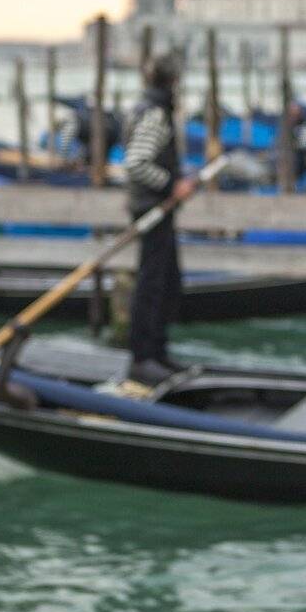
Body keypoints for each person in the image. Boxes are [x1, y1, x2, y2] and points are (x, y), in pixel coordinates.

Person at [122, 54, 196, 385]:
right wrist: (171, 185)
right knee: (151, 285)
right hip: (152, 209)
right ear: (173, 83)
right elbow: (136, 162)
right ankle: (143, 358)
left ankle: (158, 353)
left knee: (166, 282)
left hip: (156, 208)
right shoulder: (154, 114)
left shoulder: (150, 108)